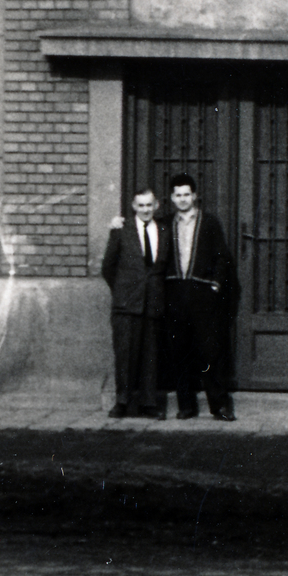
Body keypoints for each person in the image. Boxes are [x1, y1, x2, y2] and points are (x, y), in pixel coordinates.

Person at [164, 172, 240, 421]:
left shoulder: (209, 223)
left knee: (209, 352)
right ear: (172, 198)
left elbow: (222, 258)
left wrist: (214, 287)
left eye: (187, 194)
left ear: (195, 196)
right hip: (176, 293)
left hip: (202, 295)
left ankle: (219, 406)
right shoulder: (166, 224)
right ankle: (185, 406)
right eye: (178, 195)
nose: (183, 199)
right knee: (179, 353)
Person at [101, 186, 168, 420]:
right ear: (133, 207)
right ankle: (122, 402)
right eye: (141, 205)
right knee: (125, 354)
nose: (145, 209)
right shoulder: (121, 230)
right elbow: (107, 267)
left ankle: (149, 404)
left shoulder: (163, 230)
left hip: (153, 303)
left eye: (149, 205)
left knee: (150, 355)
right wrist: (124, 291)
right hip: (126, 303)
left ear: (156, 205)